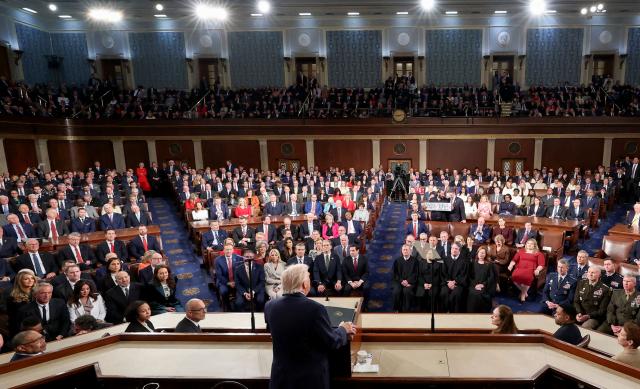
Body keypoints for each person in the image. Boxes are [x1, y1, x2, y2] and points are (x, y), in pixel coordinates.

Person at [264, 264, 356, 389]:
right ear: (304, 284)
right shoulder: (315, 309)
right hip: (309, 380)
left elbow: (276, 333)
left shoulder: (270, 306)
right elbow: (332, 341)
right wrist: (343, 329)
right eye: (308, 278)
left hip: (281, 378)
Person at [4, 269, 37, 336]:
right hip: (21, 327)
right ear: (20, 281)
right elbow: (15, 318)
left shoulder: (37, 292)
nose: (30, 280)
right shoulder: (12, 297)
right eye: (26, 279)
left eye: (32, 278)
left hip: (36, 323)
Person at [440, 242, 469, 313]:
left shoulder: (464, 261)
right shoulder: (445, 259)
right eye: (452, 248)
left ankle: (455, 314)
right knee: (444, 293)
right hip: (447, 283)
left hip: (458, 284)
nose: (454, 250)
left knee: (456, 294)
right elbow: (443, 273)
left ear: (459, 250)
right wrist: (449, 282)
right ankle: (444, 313)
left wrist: (455, 282)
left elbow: (463, 274)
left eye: (456, 248)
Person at [467, 246, 497, 313]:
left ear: (486, 254)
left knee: (480, 295)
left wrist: (483, 285)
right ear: (477, 253)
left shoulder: (489, 264)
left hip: (485, 286)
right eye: (480, 253)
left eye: (483, 253)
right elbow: (469, 276)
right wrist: (475, 285)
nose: (481, 254)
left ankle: (481, 313)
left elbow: (491, 277)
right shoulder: (473, 263)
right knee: (473, 294)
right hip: (473, 285)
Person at [392, 244, 418, 313]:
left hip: (410, 282)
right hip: (399, 282)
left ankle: (407, 310)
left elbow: (416, 274)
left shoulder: (415, 261)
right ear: (401, 251)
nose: (405, 251)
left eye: (407, 250)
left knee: (407, 291)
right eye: (404, 250)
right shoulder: (397, 261)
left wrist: (408, 281)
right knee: (396, 291)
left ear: (410, 251)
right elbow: (395, 274)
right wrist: (401, 281)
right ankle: (397, 309)